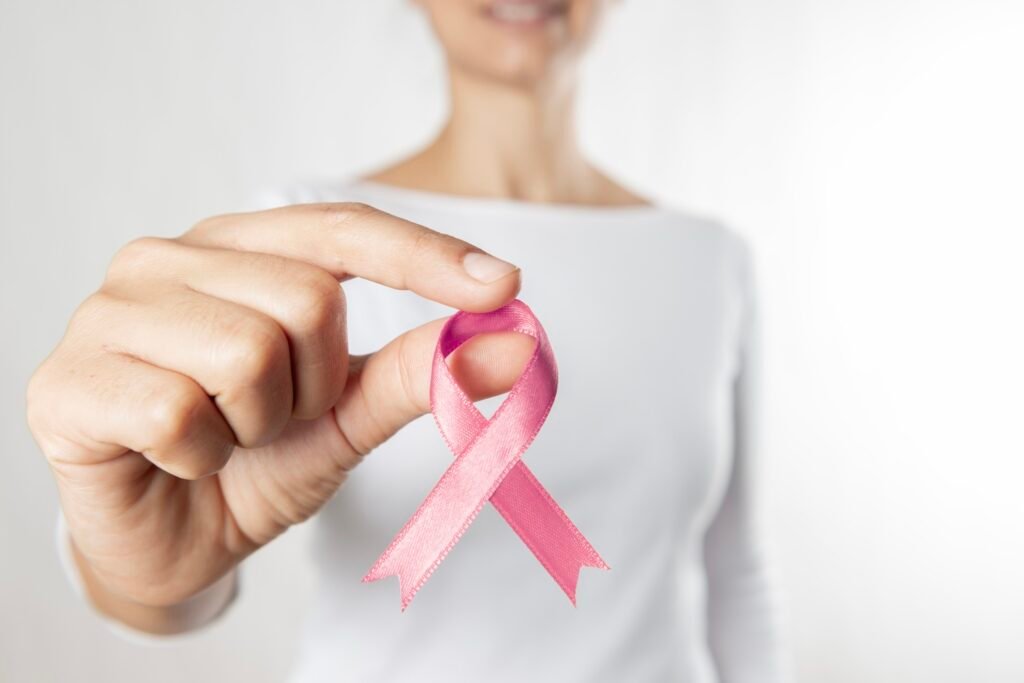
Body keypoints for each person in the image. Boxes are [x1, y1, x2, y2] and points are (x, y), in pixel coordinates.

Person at [26, 1, 787, 680]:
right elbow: (182, 561)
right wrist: (144, 575)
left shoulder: (708, 257)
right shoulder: (312, 238)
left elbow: (734, 570)